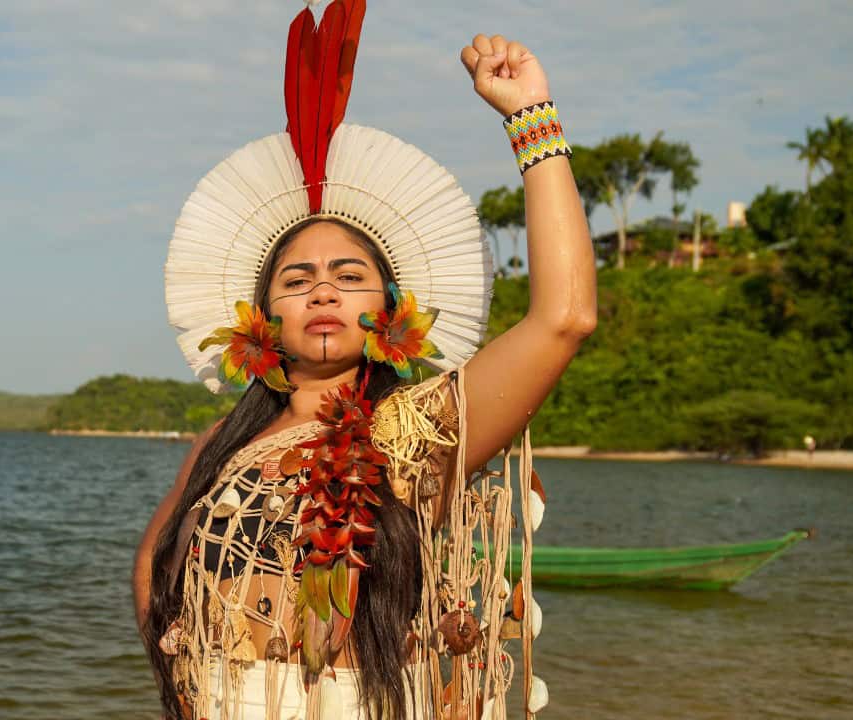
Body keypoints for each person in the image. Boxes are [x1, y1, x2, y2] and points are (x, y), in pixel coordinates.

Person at [132, 3, 596, 718]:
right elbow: (155, 567)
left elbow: (563, 319)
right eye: (296, 280)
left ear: (389, 312)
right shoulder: (222, 445)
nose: (322, 289)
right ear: (263, 319)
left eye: (350, 277)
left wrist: (531, 117)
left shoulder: (414, 433)